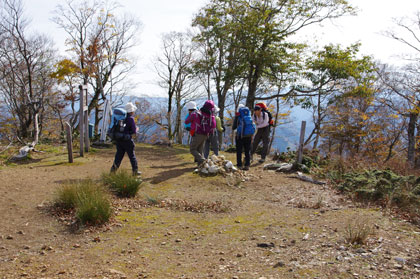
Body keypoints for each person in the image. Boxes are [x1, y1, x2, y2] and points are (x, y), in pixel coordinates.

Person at [110, 102, 141, 176]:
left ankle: (112, 172)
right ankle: (135, 171)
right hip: (127, 141)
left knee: (118, 157)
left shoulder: (119, 118)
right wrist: (136, 129)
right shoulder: (130, 119)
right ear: (131, 111)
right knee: (132, 156)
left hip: (119, 140)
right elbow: (133, 131)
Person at [185, 100, 216, 166]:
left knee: (192, 149)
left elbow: (186, 121)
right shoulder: (208, 114)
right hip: (206, 134)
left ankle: (203, 160)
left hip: (198, 133)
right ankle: (200, 166)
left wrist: (190, 114)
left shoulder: (195, 113)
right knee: (200, 150)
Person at [233, 104, 255, 170]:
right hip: (248, 136)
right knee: (247, 150)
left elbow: (233, 127)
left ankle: (239, 165)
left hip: (240, 136)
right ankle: (247, 165)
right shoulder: (249, 116)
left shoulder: (238, 117)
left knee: (239, 150)